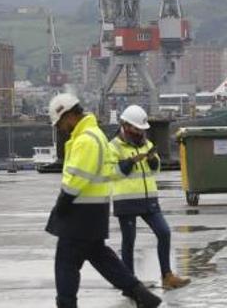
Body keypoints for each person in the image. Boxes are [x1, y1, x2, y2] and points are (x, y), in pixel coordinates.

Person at [44, 93, 162, 308]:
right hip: (94, 209)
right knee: (100, 256)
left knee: (66, 264)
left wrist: (61, 204)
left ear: (69, 115)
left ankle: (66, 305)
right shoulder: (96, 135)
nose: (60, 128)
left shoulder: (85, 140)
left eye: (60, 122)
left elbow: (77, 178)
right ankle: (142, 295)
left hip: (79, 210)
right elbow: (107, 171)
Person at [110, 105, 190, 290]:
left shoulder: (145, 143)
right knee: (129, 241)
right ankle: (129, 281)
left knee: (164, 232)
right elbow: (111, 172)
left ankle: (167, 276)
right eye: (137, 129)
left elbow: (155, 169)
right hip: (126, 200)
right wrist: (130, 162)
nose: (140, 133)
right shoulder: (113, 146)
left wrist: (153, 160)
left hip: (149, 199)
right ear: (126, 126)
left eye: (142, 130)